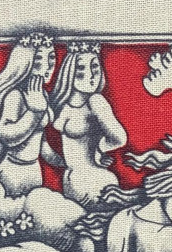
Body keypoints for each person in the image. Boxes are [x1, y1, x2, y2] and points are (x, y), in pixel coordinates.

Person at [0, 33, 64, 237]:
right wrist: (34, 112)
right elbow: (7, 135)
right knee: (8, 225)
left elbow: (41, 143)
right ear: (24, 64)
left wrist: (64, 162)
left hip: (34, 171)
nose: (47, 66)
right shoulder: (15, 95)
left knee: (29, 224)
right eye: (39, 60)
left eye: (51, 59)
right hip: (12, 172)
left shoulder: (41, 95)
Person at [52, 41, 127, 209]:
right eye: (81, 68)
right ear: (69, 71)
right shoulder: (63, 105)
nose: (91, 75)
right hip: (70, 181)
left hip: (95, 180)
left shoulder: (96, 101)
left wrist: (98, 151)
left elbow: (120, 139)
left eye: (95, 67)